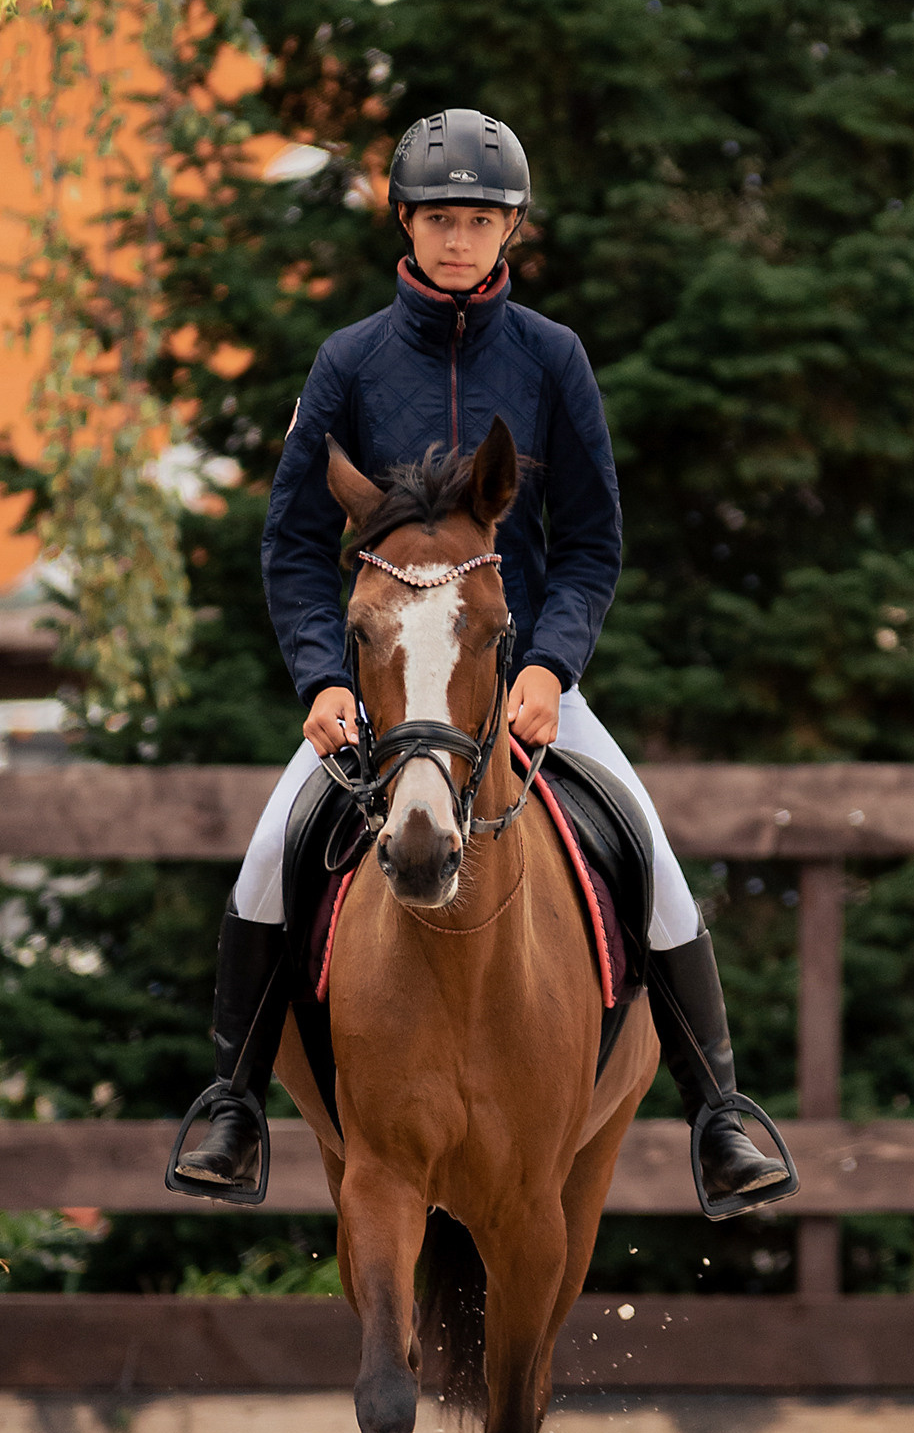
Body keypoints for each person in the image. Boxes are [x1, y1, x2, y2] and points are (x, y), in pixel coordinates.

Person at [169, 104, 784, 1216]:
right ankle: (232, 1103)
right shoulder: (347, 362)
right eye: (439, 218)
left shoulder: (553, 360)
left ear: (510, 233)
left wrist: (549, 667)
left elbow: (592, 543)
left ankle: (719, 1114)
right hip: (383, 690)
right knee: (271, 853)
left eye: (479, 221)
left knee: (651, 858)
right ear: (404, 223)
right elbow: (294, 543)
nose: (457, 239)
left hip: (520, 681)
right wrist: (319, 677)